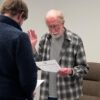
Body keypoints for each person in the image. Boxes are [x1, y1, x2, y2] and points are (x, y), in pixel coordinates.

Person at [28, 9, 89, 100]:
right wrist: (32, 47)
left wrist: (71, 71)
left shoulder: (75, 40)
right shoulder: (44, 39)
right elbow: (39, 65)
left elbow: (84, 68)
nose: (52, 30)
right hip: (46, 93)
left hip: (68, 94)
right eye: (49, 27)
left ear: (63, 23)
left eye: (55, 26)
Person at [0, 0, 37, 100]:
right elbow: (28, 78)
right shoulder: (20, 37)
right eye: (23, 20)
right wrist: (29, 94)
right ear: (21, 15)